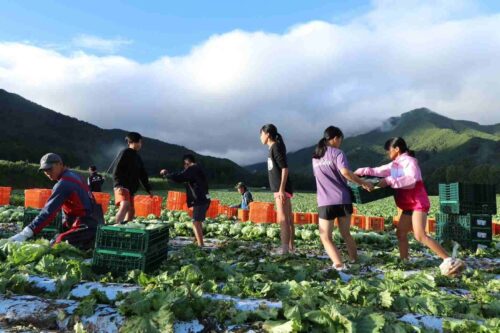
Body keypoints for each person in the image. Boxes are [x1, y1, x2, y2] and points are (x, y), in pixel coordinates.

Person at [354, 137, 465, 277]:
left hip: (417, 202)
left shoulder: (410, 162)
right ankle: (404, 261)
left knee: (420, 235)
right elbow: (377, 171)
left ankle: (449, 260)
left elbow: (411, 180)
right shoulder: (394, 165)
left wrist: (388, 181)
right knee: (400, 233)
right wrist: (359, 172)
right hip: (406, 204)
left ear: (397, 149)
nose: (388, 153)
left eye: (389, 150)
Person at [9, 153, 103, 250]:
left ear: (60, 164)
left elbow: (48, 212)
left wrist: (25, 233)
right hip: (95, 220)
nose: (47, 173)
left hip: (86, 225)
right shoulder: (74, 175)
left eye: (50, 169)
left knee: (56, 245)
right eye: (45, 170)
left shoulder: (64, 183)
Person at [312, 126, 374, 271]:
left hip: (325, 201)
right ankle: (354, 261)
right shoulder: (338, 153)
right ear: (335, 138)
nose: (340, 143)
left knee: (325, 236)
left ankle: (339, 264)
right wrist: (363, 182)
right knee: (346, 234)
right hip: (342, 199)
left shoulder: (315, 156)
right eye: (340, 140)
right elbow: (345, 172)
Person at [160, 154, 210, 247]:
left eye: (185, 164)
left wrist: (167, 174)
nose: (184, 167)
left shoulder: (192, 168)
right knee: (198, 221)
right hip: (205, 198)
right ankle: (197, 241)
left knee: (195, 222)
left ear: (187, 162)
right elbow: (183, 176)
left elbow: (180, 176)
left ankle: (201, 245)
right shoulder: (197, 169)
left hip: (200, 199)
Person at [260, 124, 294, 255]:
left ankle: (285, 249)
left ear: (267, 134)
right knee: (287, 219)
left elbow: (285, 168)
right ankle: (290, 247)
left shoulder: (275, 147)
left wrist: (281, 190)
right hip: (281, 189)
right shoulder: (274, 147)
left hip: (281, 189)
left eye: (261, 134)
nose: (260, 137)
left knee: (283, 219)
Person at [112, 132, 152, 225]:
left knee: (131, 210)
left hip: (130, 188)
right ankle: (117, 228)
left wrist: (148, 189)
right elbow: (116, 169)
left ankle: (127, 227)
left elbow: (143, 175)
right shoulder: (125, 152)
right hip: (121, 185)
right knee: (125, 205)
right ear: (133, 142)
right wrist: (118, 184)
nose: (141, 145)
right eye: (140, 142)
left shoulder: (138, 157)